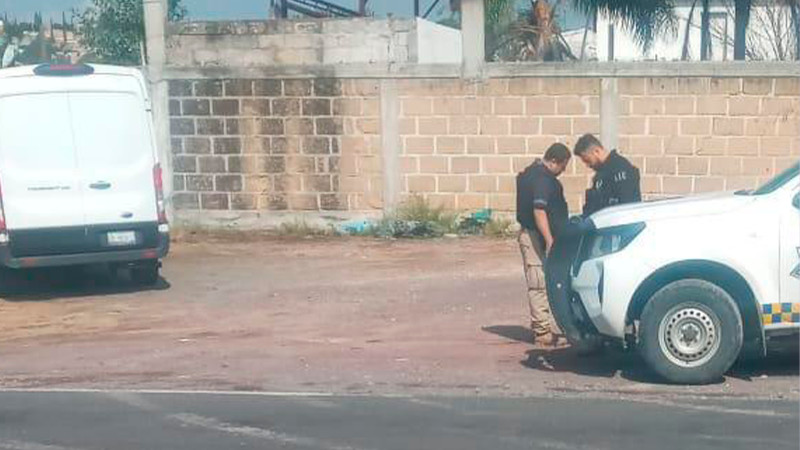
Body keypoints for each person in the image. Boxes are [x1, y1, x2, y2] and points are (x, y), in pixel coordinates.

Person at [516, 143, 571, 346]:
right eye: (563, 166)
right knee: (538, 282)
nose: (563, 171)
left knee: (545, 281)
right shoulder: (542, 179)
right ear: (555, 161)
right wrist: (549, 240)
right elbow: (539, 210)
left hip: (537, 234)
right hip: (534, 236)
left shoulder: (531, 174)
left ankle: (546, 328)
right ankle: (542, 333)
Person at [573, 134, 641, 217]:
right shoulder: (601, 174)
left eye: (588, 160)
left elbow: (626, 206)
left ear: (596, 151)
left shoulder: (621, 168)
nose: (588, 165)